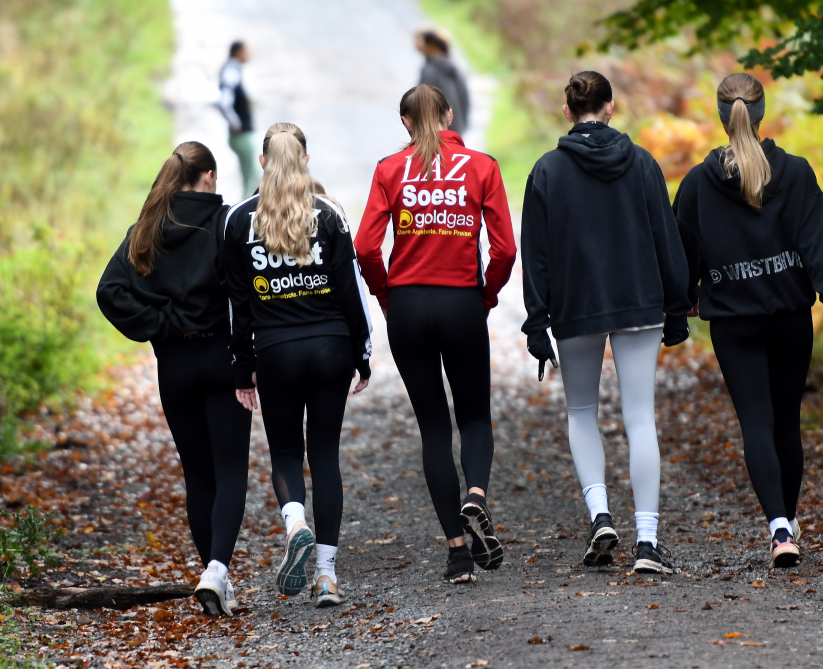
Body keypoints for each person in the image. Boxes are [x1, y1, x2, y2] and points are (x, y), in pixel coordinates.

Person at [674, 73, 823, 568]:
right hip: (790, 315)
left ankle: (778, 528)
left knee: (756, 421)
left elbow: (681, 249)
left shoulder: (697, 183)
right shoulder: (794, 172)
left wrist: (687, 296)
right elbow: (818, 236)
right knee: (786, 423)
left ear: (721, 115)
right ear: (761, 112)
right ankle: (788, 523)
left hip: (734, 323)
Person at [521, 72, 692, 575]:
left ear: (568, 111)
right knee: (641, 417)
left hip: (576, 305)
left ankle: (600, 515)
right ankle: (647, 543)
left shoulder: (547, 170)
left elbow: (536, 254)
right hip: (638, 300)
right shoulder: (642, 163)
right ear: (611, 107)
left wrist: (536, 321)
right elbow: (666, 237)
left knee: (581, 411)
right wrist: (677, 307)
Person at [355, 84, 516, 584]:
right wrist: (486, 295)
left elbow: (365, 248)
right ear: (448, 115)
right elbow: (505, 249)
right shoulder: (481, 166)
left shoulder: (389, 169)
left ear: (405, 121)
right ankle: (477, 497)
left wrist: (386, 295)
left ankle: (457, 555)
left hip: (408, 305)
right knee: (475, 418)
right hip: (460, 301)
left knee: (433, 428)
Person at [96, 142, 252, 617]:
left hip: (176, 365)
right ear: (208, 177)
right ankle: (216, 572)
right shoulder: (224, 223)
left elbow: (109, 291)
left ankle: (214, 580)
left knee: (197, 475)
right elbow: (246, 295)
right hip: (221, 357)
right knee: (230, 471)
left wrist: (160, 324)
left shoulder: (145, 229)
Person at [223, 122, 372, 607]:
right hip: (331, 347)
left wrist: (242, 366)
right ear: (305, 159)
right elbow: (350, 290)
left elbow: (238, 303)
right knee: (325, 456)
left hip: (276, 352)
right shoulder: (329, 214)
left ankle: (294, 524)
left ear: (263, 161)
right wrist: (362, 352)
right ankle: (326, 576)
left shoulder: (239, 220)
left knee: (287, 453)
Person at [219, 41, 259, 198]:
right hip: (241, 135)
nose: (249, 55)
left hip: (242, 134)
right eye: (246, 52)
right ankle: (246, 208)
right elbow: (224, 102)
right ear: (237, 52)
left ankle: (248, 205)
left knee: (251, 176)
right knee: (253, 177)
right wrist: (235, 123)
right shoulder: (231, 71)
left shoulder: (234, 69)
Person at [415, 29, 470, 136]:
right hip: (453, 131)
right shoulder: (451, 67)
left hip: (437, 133)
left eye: (418, 39)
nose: (415, 43)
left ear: (431, 44)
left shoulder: (431, 71)